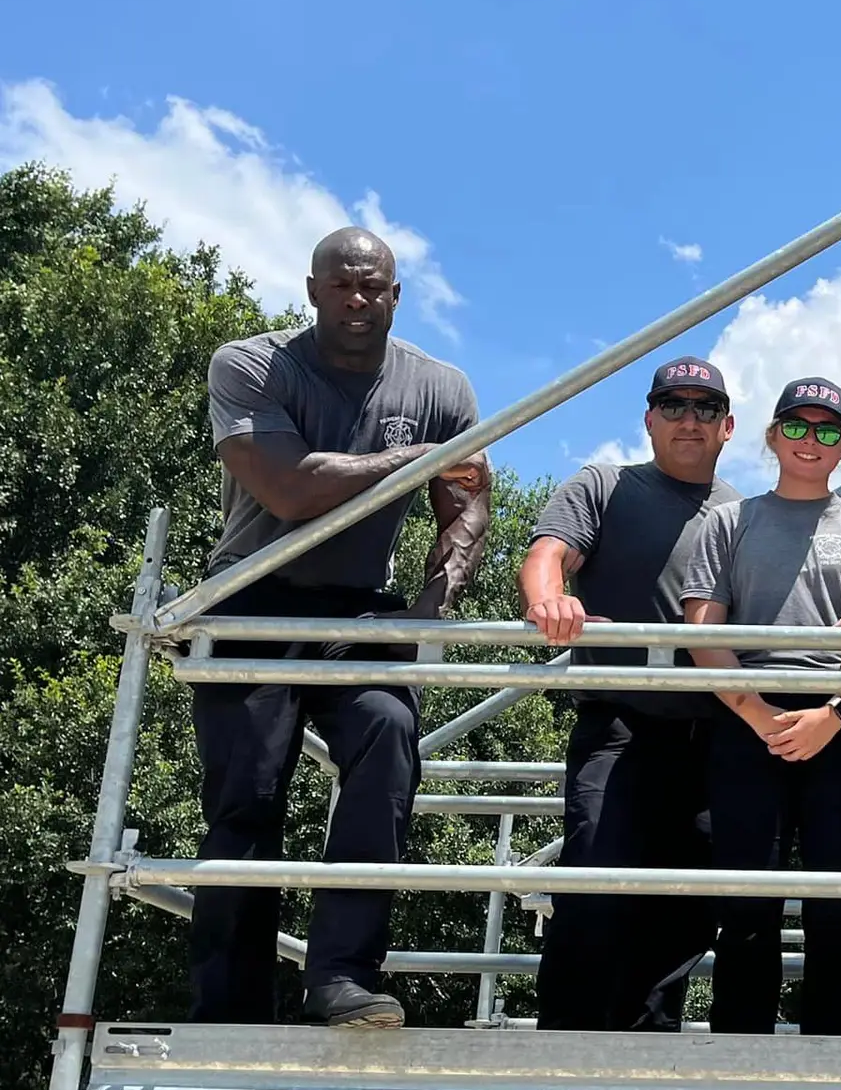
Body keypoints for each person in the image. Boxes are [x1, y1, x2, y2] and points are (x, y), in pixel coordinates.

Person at [190, 227, 490, 1028]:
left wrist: (438, 597)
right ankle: (231, 1012)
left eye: (374, 287)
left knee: (388, 731)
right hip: (252, 595)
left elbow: (468, 500)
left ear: (397, 294)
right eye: (342, 287)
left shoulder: (440, 385)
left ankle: (342, 981)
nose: (358, 301)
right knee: (248, 798)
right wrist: (423, 459)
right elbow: (291, 490)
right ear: (314, 290)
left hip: (358, 605)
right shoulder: (252, 364)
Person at [523, 356, 741, 1032]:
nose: (689, 419)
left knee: (686, 911)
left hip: (714, 736)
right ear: (649, 418)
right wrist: (549, 601)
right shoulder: (605, 484)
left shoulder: (743, 512)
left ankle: (644, 1076)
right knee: (595, 882)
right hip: (619, 723)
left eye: (706, 408)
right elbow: (548, 555)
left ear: (727, 427)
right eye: (673, 405)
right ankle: (562, 1061)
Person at [682, 378, 841, 1036]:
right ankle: (740, 1066)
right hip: (747, 718)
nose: (813, 441)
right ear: (773, 435)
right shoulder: (728, 521)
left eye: (829, 431)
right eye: (800, 427)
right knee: (747, 906)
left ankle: (838, 1074)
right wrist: (756, 713)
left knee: (840, 905)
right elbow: (702, 629)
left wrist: (832, 716)